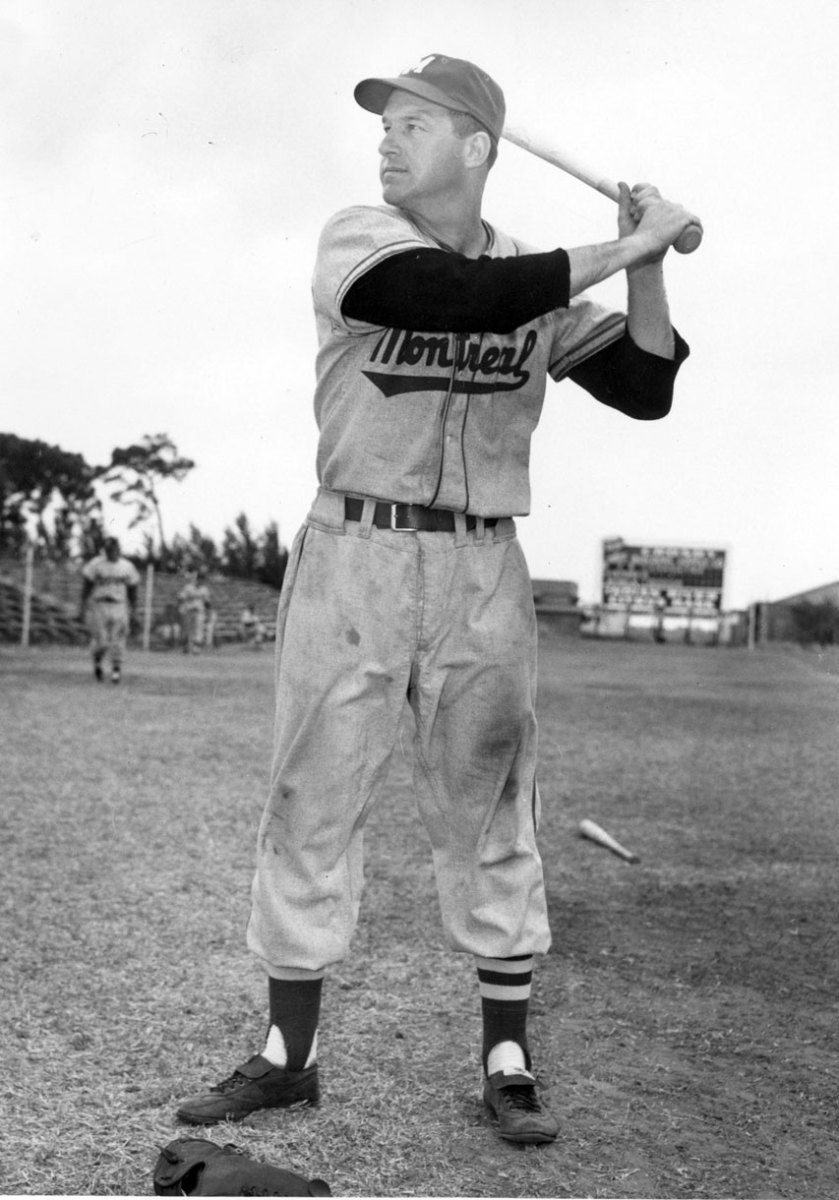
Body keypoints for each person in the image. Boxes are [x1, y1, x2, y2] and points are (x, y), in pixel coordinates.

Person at [176, 53, 695, 1144]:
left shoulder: (536, 277)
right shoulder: (360, 238)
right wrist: (621, 245)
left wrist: (646, 261)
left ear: (475, 147)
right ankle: (287, 1057)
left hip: (481, 564)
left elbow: (644, 389)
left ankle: (506, 1058)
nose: (386, 139)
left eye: (413, 123)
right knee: (312, 800)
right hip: (354, 550)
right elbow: (448, 296)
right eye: (386, 123)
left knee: (492, 806)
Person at [80, 536, 140, 684]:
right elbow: (87, 585)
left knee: (119, 639)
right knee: (102, 641)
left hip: (119, 604)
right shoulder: (96, 564)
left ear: (118, 549)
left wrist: (134, 609)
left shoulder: (127, 566)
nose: (110, 552)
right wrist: (82, 604)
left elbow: (133, 589)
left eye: (113, 549)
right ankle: (97, 661)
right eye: (108, 549)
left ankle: (116, 670)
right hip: (99, 604)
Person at [178, 568, 213, 654]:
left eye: (203, 579)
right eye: (200, 578)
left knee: (198, 630)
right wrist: (181, 608)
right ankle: (185, 647)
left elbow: (207, 603)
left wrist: (208, 613)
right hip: (188, 611)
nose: (201, 580)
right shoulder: (188, 587)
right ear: (197, 578)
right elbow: (180, 598)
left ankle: (196, 648)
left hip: (199, 611)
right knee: (186, 629)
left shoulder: (204, 589)